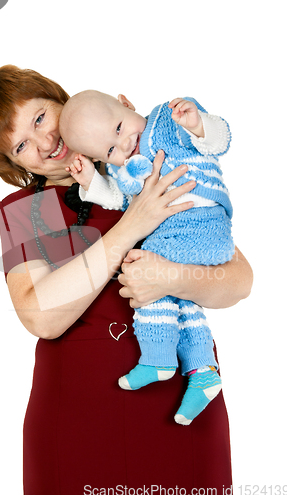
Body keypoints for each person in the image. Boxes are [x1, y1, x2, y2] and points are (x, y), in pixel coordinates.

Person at [0, 65, 253, 495]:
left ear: (63, 101)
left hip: (183, 407)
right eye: (21, 145)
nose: (46, 143)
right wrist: (132, 226)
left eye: (41, 117)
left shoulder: (144, 167)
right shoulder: (26, 209)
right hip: (79, 422)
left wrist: (171, 277)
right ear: (11, 165)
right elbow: (41, 317)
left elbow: (239, 280)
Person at [59, 90, 235, 425]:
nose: (124, 144)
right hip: (179, 236)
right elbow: (119, 200)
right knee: (181, 299)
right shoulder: (126, 169)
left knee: (146, 271)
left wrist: (198, 124)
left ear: (126, 103)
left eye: (119, 127)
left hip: (201, 224)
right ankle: (203, 372)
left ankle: (158, 357)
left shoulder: (168, 120)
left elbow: (219, 141)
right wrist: (91, 181)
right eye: (110, 150)